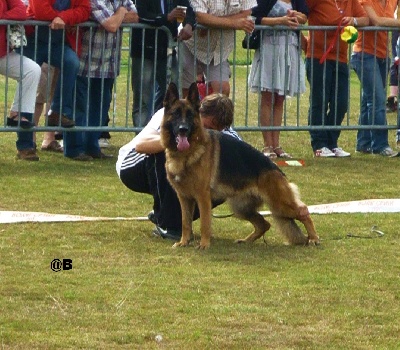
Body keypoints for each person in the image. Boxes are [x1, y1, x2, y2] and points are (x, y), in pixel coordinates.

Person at [116, 93, 241, 240]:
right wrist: (177, 142)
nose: (208, 132)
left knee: (224, 176)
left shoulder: (227, 133)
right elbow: (141, 146)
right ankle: (167, 224)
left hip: (183, 173)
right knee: (169, 154)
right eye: (206, 126)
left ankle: (167, 215)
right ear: (197, 113)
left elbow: (240, 158)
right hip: (133, 164)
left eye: (215, 130)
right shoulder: (170, 114)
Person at [64, 0, 139, 161]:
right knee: (80, 106)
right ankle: (74, 148)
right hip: (86, 61)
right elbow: (111, 25)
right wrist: (120, 12)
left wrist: (116, 16)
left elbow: (136, 17)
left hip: (109, 64)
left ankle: (92, 146)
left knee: (101, 105)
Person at [305, 0, 368, 157]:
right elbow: (301, 13)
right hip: (318, 57)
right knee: (320, 100)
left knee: (341, 102)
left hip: (340, 59)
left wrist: (353, 21)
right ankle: (319, 144)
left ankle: (332, 142)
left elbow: (365, 19)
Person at [248, 0, 308, 159]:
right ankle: (267, 145)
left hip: (289, 48)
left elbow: (304, 16)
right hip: (269, 46)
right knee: (267, 97)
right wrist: (280, 21)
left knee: (280, 99)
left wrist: (296, 16)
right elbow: (254, 17)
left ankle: (276, 145)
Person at [21, 0, 90, 128]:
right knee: (28, 83)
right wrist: (65, 20)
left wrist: (63, 18)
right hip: (33, 40)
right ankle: (25, 142)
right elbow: (41, 11)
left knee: (71, 62)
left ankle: (57, 111)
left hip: (59, 43)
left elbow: (85, 10)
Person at [130, 0, 196, 128]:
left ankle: (171, 132)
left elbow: (188, 10)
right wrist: (166, 17)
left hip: (167, 50)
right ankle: (140, 137)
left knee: (174, 94)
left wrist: (188, 24)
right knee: (142, 97)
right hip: (144, 50)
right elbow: (140, 15)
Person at [350, 0, 398, 157]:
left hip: (383, 55)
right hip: (364, 54)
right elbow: (375, 21)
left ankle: (363, 143)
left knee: (367, 101)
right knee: (377, 100)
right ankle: (380, 144)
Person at [181, 0, 257, 97]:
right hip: (191, 46)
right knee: (184, 92)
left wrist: (212, 22)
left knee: (223, 90)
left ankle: (208, 112)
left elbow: (246, 13)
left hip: (219, 51)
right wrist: (234, 23)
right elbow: (200, 16)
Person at [1, 0, 41, 160]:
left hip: (2, 53)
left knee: (32, 70)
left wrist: (3, 17)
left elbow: (20, 11)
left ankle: (16, 114)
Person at [35, 63, 63, 152]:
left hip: (59, 54)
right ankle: (30, 139)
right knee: (39, 95)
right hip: (44, 55)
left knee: (54, 94)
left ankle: (49, 138)